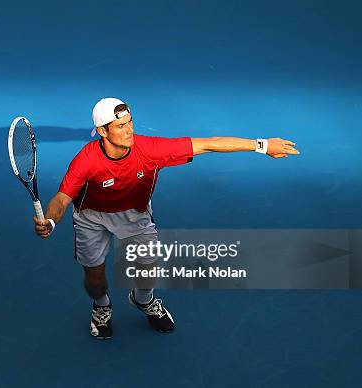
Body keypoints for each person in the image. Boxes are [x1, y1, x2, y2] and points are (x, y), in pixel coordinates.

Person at [33, 97, 300, 339]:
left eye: (130, 122)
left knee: (149, 270)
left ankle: (143, 299)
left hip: (134, 215)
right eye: (120, 126)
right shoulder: (86, 160)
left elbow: (209, 145)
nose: (129, 131)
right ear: (102, 131)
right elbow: (62, 198)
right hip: (92, 217)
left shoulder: (150, 149)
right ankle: (102, 306)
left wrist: (263, 146)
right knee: (95, 280)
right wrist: (51, 221)